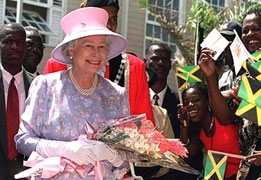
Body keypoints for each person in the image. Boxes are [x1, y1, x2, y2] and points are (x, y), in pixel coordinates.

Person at [15, 7, 130, 179]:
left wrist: (111, 154)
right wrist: (65, 149)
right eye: (88, 46)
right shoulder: (46, 86)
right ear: (71, 50)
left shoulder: (117, 95)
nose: (96, 54)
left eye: (102, 47)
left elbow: (128, 158)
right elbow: (22, 140)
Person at [43, 0, 155, 125]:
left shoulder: (134, 67)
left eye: (113, 19)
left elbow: (145, 127)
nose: (109, 26)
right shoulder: (56, 67)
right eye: (103, 20)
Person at [178, 83, 240, 180]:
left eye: (196, 100)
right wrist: (184, 127)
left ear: (207, 101)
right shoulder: (198, 132)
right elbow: (184, 159)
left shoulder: (224, 118)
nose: (190, 105)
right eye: (186, 102)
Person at [0, 23, 35, 179]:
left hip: (28, 170)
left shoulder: (38, 86)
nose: (14, 47)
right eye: (8, 42)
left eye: (19, 43)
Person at [145, 42, 180, 138]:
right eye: (155, 59)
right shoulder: (134, 97)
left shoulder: (179, 103)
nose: (160, 63)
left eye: (165, 59)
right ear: (145, 62)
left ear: (170, 64)